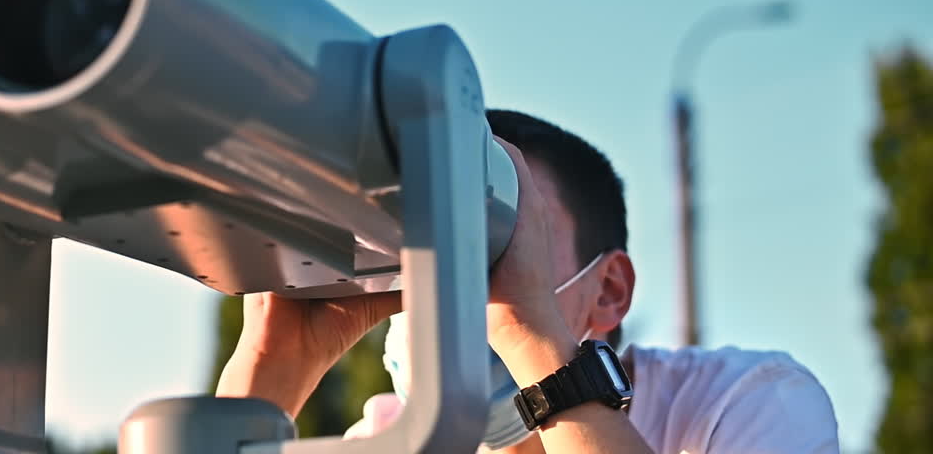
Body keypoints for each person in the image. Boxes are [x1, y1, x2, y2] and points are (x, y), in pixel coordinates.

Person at [215, 110, 840, 453]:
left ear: (609, 291)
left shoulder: (745, 406)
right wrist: (272, 369)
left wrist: (529, 336)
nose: (460, 283)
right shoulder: (391, 442)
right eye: (435, 245)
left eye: (506, 239)